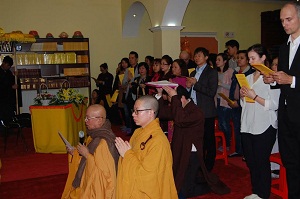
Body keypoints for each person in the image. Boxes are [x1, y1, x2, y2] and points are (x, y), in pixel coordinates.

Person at [157, 85, 230, 198]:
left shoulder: (197, 112)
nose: (172, 103)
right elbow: (161, 113)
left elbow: (180, 120)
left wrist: (174, 97)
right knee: (179, 183)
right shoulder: (180, 108)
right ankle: (198, 179)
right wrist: (159, 95)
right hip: (179, 151)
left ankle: (208, 185)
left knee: (186, 190)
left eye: (174, 100)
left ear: (182, 98)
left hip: (191, 154)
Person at [263, 2, 300, 198]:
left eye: (289, 19)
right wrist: (274, 80)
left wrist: (292, 80)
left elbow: (291, 78)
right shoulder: (284, 47)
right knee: (291, 163)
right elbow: (283, 78)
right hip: (286, 115)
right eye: (282, 21)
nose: (285, 24)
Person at [115, 95, 177, 199]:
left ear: (150, 112)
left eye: (137, 111)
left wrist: (127, 154)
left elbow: (148, 178)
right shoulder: (138, 132)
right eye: (133, 111)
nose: (133, 114)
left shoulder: (158, 141)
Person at [240, 44, 280, 199]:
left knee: (261, 162)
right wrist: (244, 96)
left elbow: (274, 104)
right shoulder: (248, 77)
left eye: (253, 58)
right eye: (249, 58)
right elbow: (244, 104)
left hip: (264, 125)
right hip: (248, 124)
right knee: (251, 162)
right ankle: (256, 192)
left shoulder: (272, 77)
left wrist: (254, 96)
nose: (250, 62)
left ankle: (263, 194)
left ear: (263, 58)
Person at [61, 104, 119, 199]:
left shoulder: (103, 142)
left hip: (95, 191)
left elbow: (105, 176)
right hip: (87, 182)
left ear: (99, 120)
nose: (85, 121)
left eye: (88, 118)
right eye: (85, 118)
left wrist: (87, 155)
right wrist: (75, 153)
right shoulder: (94, 135)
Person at [186, 47, 218, 172]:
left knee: (208, 139)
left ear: (206, 57)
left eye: (199, 55)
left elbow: (211, 92)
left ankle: (208, 165)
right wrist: (188, 87)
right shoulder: (193, 72)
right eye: (195, 55)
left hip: (206, 111)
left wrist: (196, 84)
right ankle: (198, 162)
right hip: (194, 110)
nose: (196, 57)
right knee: (196, 138)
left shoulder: (211, 72)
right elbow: (191, 92)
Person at [228, 50, 255, 158]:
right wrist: (231, 100)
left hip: (245, 103)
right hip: (235, 102)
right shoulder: (236, 72)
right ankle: (239, 150)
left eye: (242, 58)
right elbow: (233, 87)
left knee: (246, 128)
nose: (239, 60)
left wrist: (239, 102)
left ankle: (246, 151)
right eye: (238, 58)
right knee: (237, 127)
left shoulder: (250, 73)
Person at [215, 53, 234, 150]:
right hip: (218, 99)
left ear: (225, 61)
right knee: (221, 123)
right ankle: (224, 142)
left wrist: (220, 84)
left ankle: (227, 143)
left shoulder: (230, 72)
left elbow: (232, 87)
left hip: (226, 100)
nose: (217, 62)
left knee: (224, 122)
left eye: (219, 60)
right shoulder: (216, 72)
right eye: (216, 60)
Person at [0, 56, 18, 124]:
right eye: (7, 65)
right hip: (2, 98)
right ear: (3, 63)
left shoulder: (8, 72)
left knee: (8, 114)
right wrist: (11, 87)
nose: (8, 67)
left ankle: (9, 126)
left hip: (8, 99)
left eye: (9, 66)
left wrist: (15, 76)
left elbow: (12, 81)